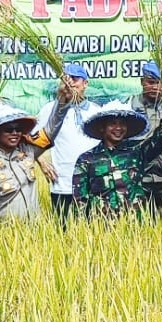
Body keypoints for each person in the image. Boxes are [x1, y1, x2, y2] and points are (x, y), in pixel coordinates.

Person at [0, 99, 70, 223]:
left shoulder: (27, 152)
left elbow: (50, 131)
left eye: (18, 129)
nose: (15, 133)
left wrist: (63, 102)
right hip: (3, 235)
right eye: (9, 129)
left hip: (34, 232)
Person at [72, 100, 162, 218]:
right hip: (102, 225)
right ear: (102, 127)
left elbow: (161, 139)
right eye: (113, 124)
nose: (118, 128)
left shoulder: (137, 152)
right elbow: (79, 200)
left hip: (136, 222)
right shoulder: (86, 159)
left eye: (122, 124)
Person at [33, 64, 101, 222]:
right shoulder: (50, 110)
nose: (70, 84)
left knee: (93, 231)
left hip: (92, 184)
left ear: (85, 83)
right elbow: (31, 139)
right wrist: (42, 162)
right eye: (66, 80)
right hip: (62, 183)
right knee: (62, 232)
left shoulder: (96, 111)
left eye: (75, 79)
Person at [128, 61, 162, 208]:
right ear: (142, 82)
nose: (154, 87)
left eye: (158, 83)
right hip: (138, 178)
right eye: (150, 82)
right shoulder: (130, 105)